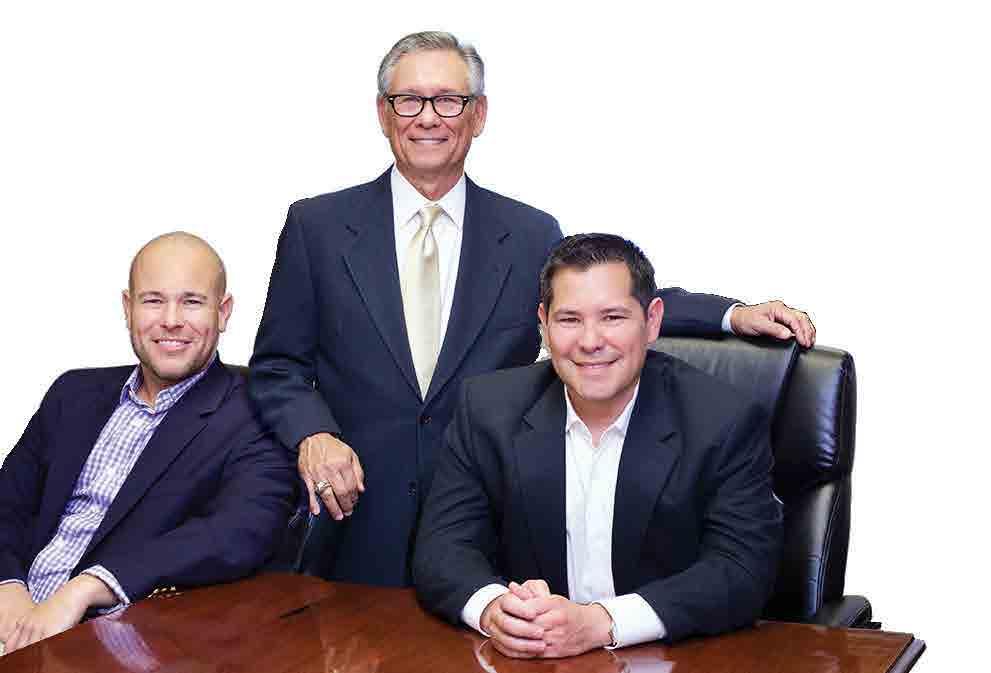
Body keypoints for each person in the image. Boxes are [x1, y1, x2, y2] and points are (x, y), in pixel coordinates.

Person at [249, 31, 807, 587]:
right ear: (382, 113)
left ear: (478, 114)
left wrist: (731, 315)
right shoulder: (316, 228)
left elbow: (600, 299)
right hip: (357, 523)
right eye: (409, 100)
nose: (428, 118)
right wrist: (313, 434)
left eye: (449, 100)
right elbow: (278, 366)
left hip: (486, 533)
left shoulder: (526, 233)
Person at [413, 233, 783, 658]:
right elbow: (443, 547)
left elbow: (742, 569)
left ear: (652, 321)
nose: (590, 341)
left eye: (612, 317)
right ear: (544, 324)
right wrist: (497, 610)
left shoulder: (722, 420)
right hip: (531, 662)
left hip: (671, 659)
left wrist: (602, 623)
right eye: (569, 320)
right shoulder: (487, 409)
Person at [0, 233, 295, 655]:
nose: (171, 320)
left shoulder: (258, 411)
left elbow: (239, 531)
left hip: (115, 644)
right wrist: (8, 585)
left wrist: (86, 587)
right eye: (153, 300)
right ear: (128, 308)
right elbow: (7, 504)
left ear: (223, 311)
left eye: (191, 302)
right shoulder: (73, 393)